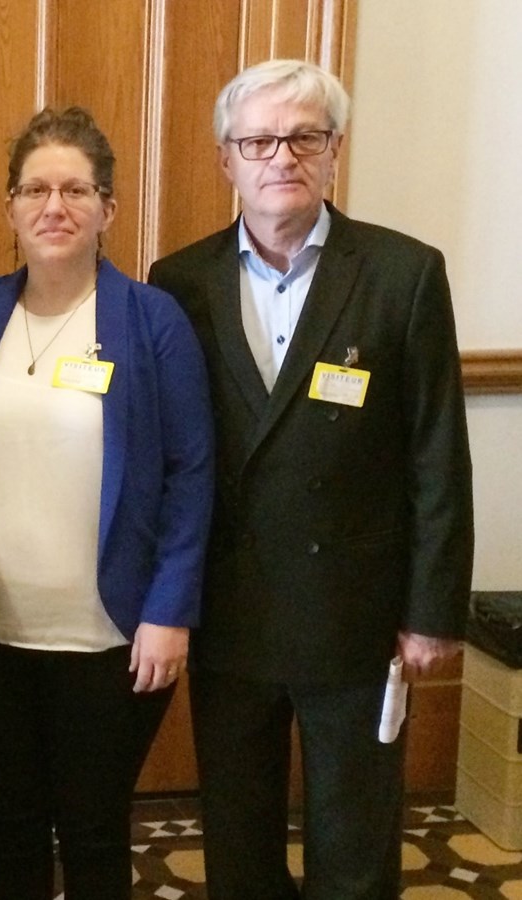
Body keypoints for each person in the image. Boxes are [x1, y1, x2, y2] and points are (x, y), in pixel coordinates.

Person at [148, 59, 474, 899]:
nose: (279, 156)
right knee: (237, 835)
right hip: (230, 607)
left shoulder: (402, 274)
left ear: (333, 152)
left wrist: (430, 611)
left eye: (303, 137)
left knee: (354, 836)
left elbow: (436, 453)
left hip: (354, 615)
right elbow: (174, 457)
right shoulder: (179, 282)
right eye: (257, 140)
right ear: (226, 159)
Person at [0, 107, 214, 899]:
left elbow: (191, 472)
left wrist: (170, 611)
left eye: (75, 190)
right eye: (34, 189)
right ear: (10, 208)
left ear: (107, 210)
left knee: (92, 828)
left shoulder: (150, 321)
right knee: (10, 823)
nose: (53, 207)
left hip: (111, 635)